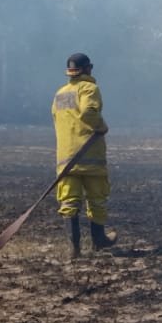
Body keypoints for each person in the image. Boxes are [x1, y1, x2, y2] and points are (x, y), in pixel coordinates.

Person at [51, 53, 114, 256]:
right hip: (89, 154)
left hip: (66, 158)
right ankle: (99, 240)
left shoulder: (60, 94)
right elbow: (88, 112)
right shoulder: (89, 88)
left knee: (69, 202)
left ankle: (74, 248)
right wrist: (102, 127)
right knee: (97, 199)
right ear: (87, 69)